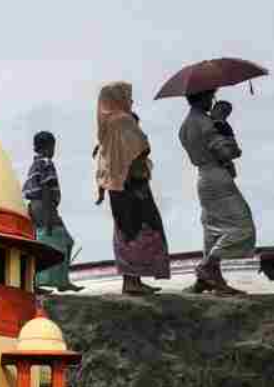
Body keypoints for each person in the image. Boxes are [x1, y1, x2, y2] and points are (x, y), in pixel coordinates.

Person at [94, 82, 170, 295]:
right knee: (142, 228)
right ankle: (132, 282)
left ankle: (131, 280)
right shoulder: (123, 120)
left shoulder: (106, 125)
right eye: (127, 95)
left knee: (125, 230)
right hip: (132, 185)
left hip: (117, 187)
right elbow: (140, 149)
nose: (131, 100)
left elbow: (105, 159)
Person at [179, 89, 256, 296]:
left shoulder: (185, 125)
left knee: (212, 229)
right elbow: (228, 152)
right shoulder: (206, 122)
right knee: (242, 226)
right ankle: (208, 267)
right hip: (218, 178)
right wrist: (222, 124)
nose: (212, 101)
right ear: (204, 97)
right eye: (211, 96)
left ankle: (204, 281)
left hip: (203, 177)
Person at [23, 131, 83, 293]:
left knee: (55, 241)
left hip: (36, 206)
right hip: (44, 206)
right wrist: (50, 216)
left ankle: (58, 282)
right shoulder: (46, 162)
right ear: (49, 146)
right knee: (53, 242)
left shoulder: (35, 163)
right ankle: (42, 283)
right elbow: (46, 188)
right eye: (53, 146)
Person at [210, 100, 238, 178]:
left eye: (226, 111)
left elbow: (233, 146)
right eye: (221, 109)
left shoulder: (225, 126)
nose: (224, 113)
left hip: (225, 164)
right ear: (213, 110)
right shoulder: (206, 122)